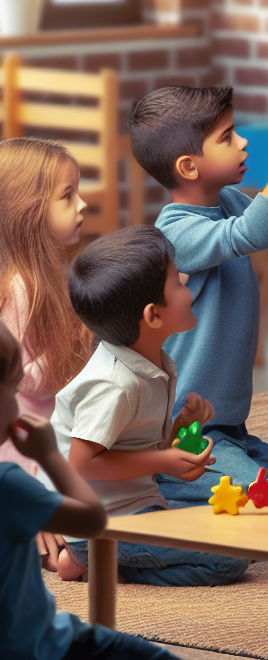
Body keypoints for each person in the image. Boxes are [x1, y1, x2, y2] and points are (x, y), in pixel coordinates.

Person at [128, 81, 268, 506]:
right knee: (265, 504)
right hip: (185, 429)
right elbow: (254, 233)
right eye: (227, 137)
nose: (242, 142)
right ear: (189, 167)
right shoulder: (174, 235)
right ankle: (155, 477)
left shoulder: (227, 200)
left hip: (226, 425)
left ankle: (211, 466)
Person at [50, 225, 249, 586]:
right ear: (153, 316)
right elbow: (81, 463)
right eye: (177, 281)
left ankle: (86, 560)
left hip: (137, 503)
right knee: (232, 559)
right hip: (103, 524)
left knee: (239, 517)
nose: (187, 280)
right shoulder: (115, 387)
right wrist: (163, 461)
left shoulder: (152, 362)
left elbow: (147, 448)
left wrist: (184, 427)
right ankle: (107, 565)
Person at [0, 321, 176, 660]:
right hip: (45, 646)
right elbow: (94, 522)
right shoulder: (9, 484)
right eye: (11, 389)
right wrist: (50, 456)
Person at [0, 138, 93, 572]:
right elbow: (22, 377)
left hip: (51, 426)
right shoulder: (22, 288)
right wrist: (79, 337)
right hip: (24, 439)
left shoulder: (49, 274)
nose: (83, 203)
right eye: (67, 195)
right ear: (28, 211)